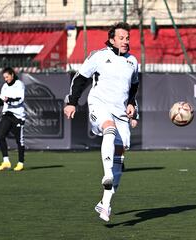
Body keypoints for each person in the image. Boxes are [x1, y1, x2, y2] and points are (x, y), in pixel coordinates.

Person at [63, 22, 139, 222]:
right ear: (112, 39)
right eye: (121, 38)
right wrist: (72, 102)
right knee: (109, 129)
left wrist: (132, 105)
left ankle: (105, 204)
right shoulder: (98, 56)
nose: (125, 41)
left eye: (127, 38)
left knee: (120, 158)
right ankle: (107, 175)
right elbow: (80, 79)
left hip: (121, 112)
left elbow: (133, 87)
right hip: (99, 104)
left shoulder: (133, 61)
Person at [0, 67, 26, 171]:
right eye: (4, 77)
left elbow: (19, 100)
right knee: (0, 136)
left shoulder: (20, 85)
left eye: (7, 77)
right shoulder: (5, 86)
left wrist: (8, 100)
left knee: (20, 141)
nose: (5, 79)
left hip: (18, 116)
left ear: (12, 75)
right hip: (7, 115)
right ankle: (6, 162)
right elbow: (1, 102)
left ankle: (20, 163)